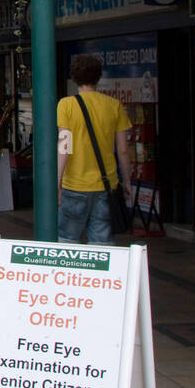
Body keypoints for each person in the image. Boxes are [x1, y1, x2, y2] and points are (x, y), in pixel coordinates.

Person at [57, 54, 132, 245]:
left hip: (74, 184)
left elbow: (64, 147)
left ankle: (70, 274)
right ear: (98, 77)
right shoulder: (114, 106)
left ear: (74, 78)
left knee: (67, 242)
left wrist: (57, 182)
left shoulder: (66, 105)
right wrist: (127, 181)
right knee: (102, 244)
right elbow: (123, 150)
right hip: (106, 186)